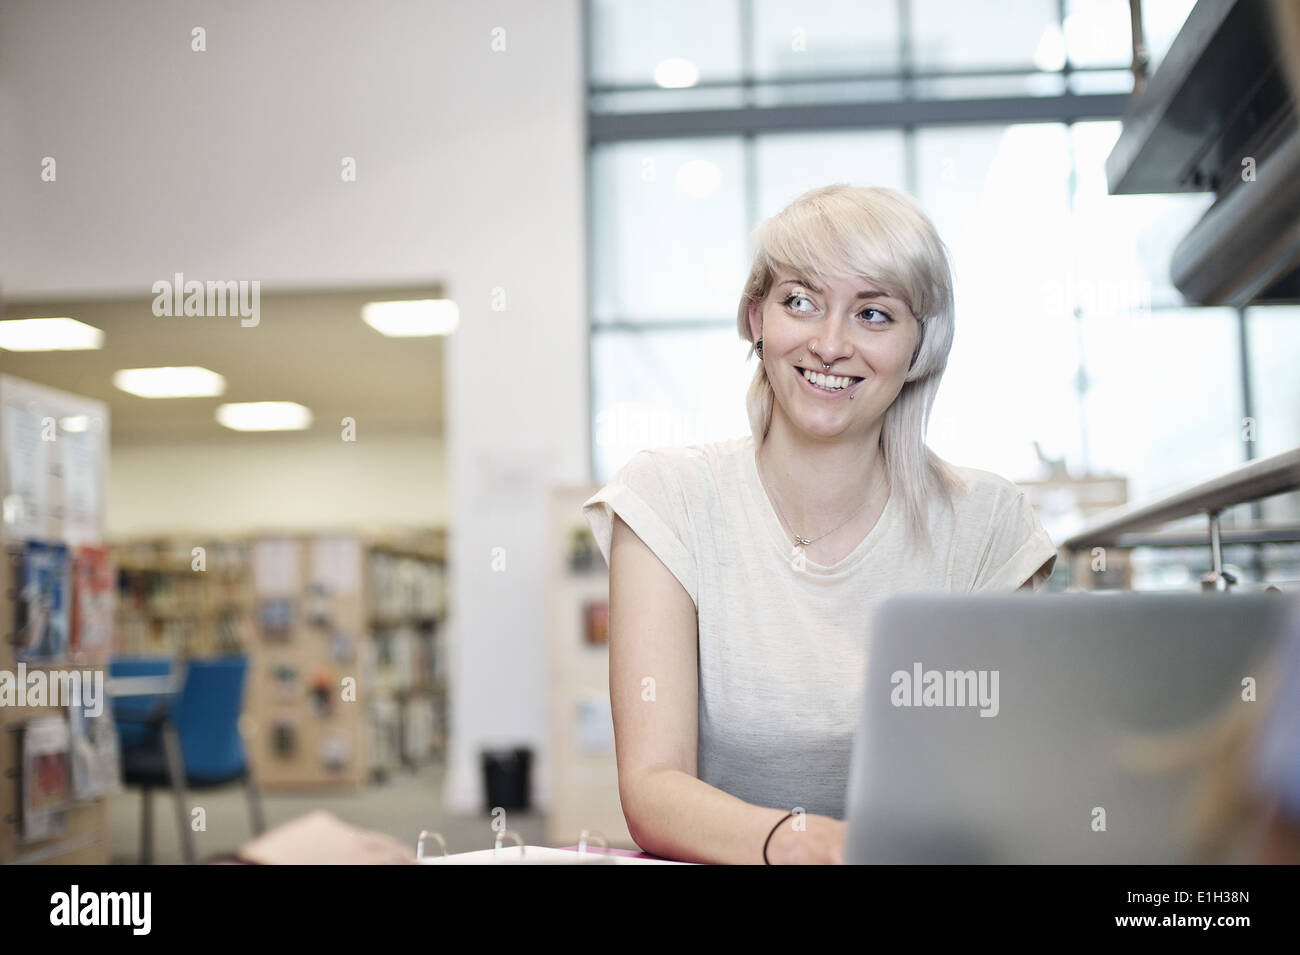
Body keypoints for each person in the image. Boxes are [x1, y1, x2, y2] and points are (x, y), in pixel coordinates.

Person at [582, 184, 1058, 865]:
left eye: (873, 313)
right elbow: (654, 789)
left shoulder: (986, 521)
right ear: (756, 318)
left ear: (921, 345)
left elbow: (1015, 780)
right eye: (800, 301)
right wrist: (806, 844)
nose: (830, 344)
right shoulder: (668, 496)